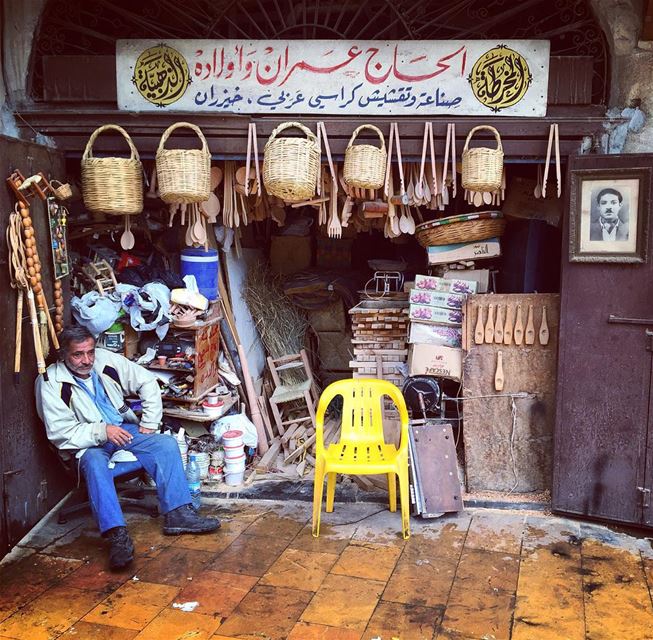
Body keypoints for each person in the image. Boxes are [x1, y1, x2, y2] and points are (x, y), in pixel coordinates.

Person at [36, 326, 220, 570]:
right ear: (63, 355)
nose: (87, 360)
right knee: (95, 463)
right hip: (86, 441)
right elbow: (60, 433)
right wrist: (102, 431)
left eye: (90, 352)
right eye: (78, 355)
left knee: (164, 444)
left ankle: (178, 515)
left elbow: (146, 381)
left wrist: (150, 422)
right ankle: (116, 535)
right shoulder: (50, 382)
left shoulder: (105, 360)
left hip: (121, 430)